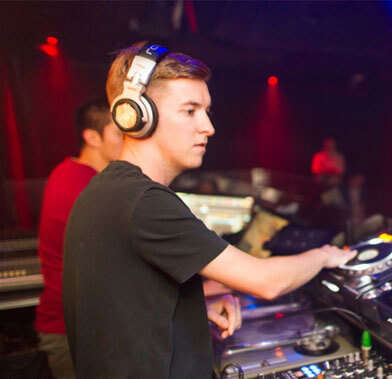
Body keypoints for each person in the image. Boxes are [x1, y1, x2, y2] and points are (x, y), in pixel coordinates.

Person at [62, 43, 355, 378]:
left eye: (207, 111)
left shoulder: (111, 189)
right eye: (190, 111)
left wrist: (191, 309)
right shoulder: (143, 201)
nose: (208, 127)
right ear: (137, 114)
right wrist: (325, 256)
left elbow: (125, 304)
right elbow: (266, 282)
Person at [34, 98, 123, 379]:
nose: (129, 140)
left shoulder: (71, 172)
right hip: (72, 333)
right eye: (119, 134)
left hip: (76, 328)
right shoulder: (83, 184)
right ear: (92, 137)